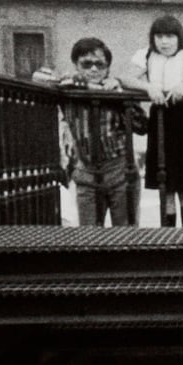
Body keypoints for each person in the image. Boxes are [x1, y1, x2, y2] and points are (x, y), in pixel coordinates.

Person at [122, 14, 183, 226]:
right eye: (159, 36)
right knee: (165, 186)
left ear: (179, 37)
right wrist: (148, 87)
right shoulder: (146, 56)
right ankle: (169, 236)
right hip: (161, 121)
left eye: (170, 36)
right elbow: (126, 78)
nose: (164, 42)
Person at [52, 37, 139, 227]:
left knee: (127, 236)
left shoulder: (116, 91)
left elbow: (141, 125)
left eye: (100, 65)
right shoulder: (68, 89)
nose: (93, 69)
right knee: (89, 236)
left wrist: (117, 95)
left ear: (107, 68)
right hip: (86, 170)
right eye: (86, 64)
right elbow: (40, 76)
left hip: (120, 169)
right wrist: (91, 88)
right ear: (76, 65)